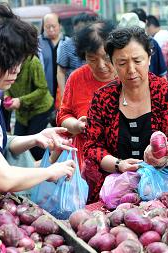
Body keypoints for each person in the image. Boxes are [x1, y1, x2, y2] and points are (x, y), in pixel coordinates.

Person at [0, 1, 75, 206]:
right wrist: (50, 172)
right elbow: (1, 178)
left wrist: (35, 138)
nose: (16, 70)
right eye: (8, 63)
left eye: (18, 62)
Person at [83, 27, 168, 202]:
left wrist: (162, 159)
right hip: (115, 191)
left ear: (149, 58)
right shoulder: (103, 98)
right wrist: (119, 165)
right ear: (113, 63)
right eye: (122, 63)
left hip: (165, 189)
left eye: (137, 60)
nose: (131, 69)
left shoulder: (167, 93)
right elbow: (92, 146)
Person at [57, 21, 117, 169]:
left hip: (124, 163)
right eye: (92, 59)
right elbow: (63, 115)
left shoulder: (128, 76)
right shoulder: (77, 78)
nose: (101, 65)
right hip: (85, 164)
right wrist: (76, 125)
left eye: (107, 57)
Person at [5, 55, 54, 160]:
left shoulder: (33, 62)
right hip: (22, 112)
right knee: (17, 144)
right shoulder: (5, 60)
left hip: (40, 108)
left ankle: (47, 168)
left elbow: (42, 89)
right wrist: (7, 97)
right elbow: (6, 85)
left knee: (36, 146)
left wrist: (21, 101)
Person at [56, 13, 98, 94]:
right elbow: (61, 71)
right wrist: (63, 94)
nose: (83, 31)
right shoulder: (66, 45)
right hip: (74, 90)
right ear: (74, 27)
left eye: (87, 27)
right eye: (80, 27)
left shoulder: (96, 44)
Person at [119, 12, 167, 77]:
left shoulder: (152, 43)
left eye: (137, 61)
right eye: (123, 63)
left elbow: (163, 74)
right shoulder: (117, 46)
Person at [39, 13, 69, 110]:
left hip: (64, 91)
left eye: (54, 26)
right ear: (43, 27)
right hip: (44, 92)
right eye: (48, 27)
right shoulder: (37, 43)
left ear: (60, 26)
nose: (51, 29)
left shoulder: (67, 42)